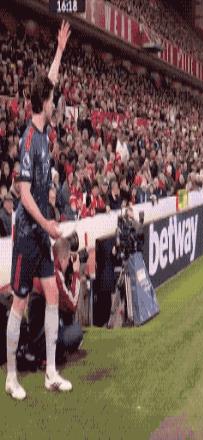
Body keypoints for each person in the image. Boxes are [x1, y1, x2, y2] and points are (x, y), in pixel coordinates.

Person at [5, 21, 72, 401]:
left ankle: (50, 372)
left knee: (51, 295)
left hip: (41, 234)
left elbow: (49, 80)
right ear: (43, 103)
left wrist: (59, 51)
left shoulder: (44, 131)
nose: (55, 100)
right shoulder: (29, 139)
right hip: (28, 236)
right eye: (52, 98)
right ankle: (11, 377)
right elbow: (24, 193)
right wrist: (47, 224)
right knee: (18, 303)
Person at [25, 237, 83, 367]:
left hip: (35, 336)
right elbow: (72, 304)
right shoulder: (55, 274)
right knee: (77, 332)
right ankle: (50, 354)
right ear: (63, 259)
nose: (68, 264)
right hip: (45, 341)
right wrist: (76, 273)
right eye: (68, 260)